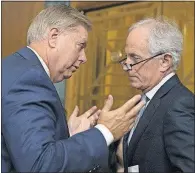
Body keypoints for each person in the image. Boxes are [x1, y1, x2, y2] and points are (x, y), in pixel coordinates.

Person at [1, 4, 145, 173]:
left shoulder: (14, 68)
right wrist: (105, 131)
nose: (83, 58)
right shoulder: (29, 79)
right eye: (81, 45)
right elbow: (39, 165)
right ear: (53, 37)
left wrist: (67, 136)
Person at [109, 17, 195, 172]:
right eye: (126, 57)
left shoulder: (179, 104)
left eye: (135, 58)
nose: (127, 66)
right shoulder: (142, 100)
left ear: (165, 61)